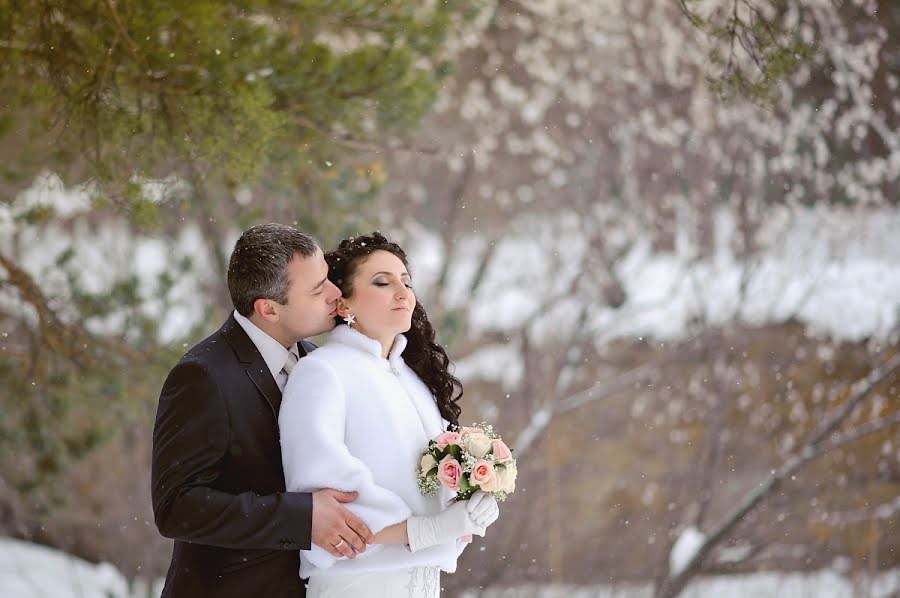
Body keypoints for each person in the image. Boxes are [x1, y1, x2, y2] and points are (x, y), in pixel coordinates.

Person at [151, 223, 376, 598]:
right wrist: (301, 518)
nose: (336, 293)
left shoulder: (319, 362)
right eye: (319, 289)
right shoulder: (202, 376)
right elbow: (176, 507)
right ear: (268, 309)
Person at [279, 232, 500, 598]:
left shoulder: (413, 381)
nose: (403, 292)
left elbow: (434, 494)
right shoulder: (322, 372)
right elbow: (321, 511)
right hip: (358, 587)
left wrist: (469, 507)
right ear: (344, 302)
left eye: (406, 282)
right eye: (383, 282)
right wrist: (426, 530)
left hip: (424, 584)